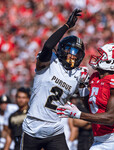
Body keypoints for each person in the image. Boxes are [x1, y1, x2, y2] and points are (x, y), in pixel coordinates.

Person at [21, 8, 86, 150]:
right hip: (33, 125)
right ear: (62, 49)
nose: (73, 56)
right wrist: (67, 26)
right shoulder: (50, 62)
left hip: (55, 128)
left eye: (77, 53)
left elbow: (84, 99)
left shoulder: (77, 75)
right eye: (70, 51)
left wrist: (85, 86)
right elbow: (48, 46)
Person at [57, 43, 114, 150]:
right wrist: (82, 87)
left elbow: (110, 118)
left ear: (111, 62)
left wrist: (78, 114)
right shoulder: (95, 77)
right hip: (99, 140)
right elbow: (92, 109)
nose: (98, 58)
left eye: (103, 56)